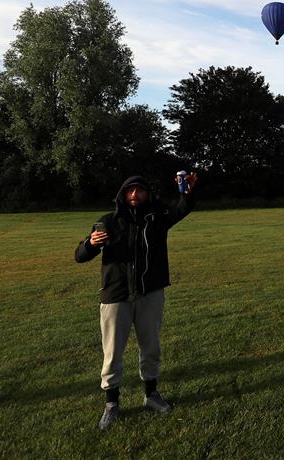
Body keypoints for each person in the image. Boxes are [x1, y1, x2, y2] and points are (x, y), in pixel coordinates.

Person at [75, 172, 198, 431]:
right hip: (115, 295)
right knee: (112, 352)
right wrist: (90, 244)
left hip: (150, 293)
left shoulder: (156, 219)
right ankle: (111, 404)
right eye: (130, 190)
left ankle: (151, 395)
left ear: (146, 194)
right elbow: (80, 255)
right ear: (122, 194)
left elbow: (182, 209)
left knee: (150, 346)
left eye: (139, 190)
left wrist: (186, 193)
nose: (134, 195)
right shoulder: (108, 221)